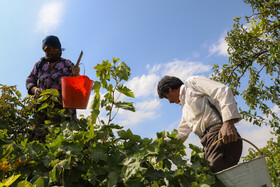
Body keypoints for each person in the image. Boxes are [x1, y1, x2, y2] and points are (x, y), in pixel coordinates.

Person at [157, 75, 243, 173]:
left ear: (169, 88)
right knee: (205, 176)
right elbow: (181, 133)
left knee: (212, 176)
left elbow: (223, 91)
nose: (170, 102)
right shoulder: (185, 108)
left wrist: (228, 123)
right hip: (208, 143)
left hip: (219, 135)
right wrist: (161, 145)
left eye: (167, 97)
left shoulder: (192, 83)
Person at [26, 35, 80, 121]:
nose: (47, 53)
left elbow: (77, 86)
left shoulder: (67, 64)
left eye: (50, 49)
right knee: (42, 132)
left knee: (63, 133)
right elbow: (29, 80)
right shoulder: (39, 64)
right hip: (43, 112)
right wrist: (34, 89)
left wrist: (76, 75)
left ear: (57, 49)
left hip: (64, 114)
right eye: (45, 50)